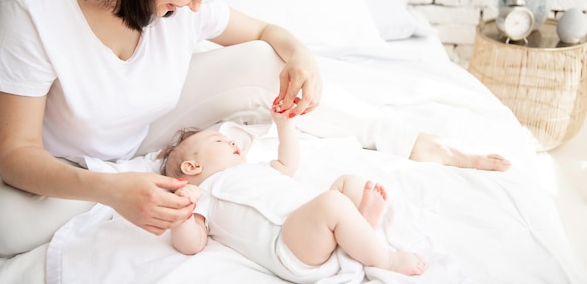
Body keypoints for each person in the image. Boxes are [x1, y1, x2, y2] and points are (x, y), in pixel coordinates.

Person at [0, 0, 509, 258]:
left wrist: (298, 51)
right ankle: (128, 179)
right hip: (74, 159)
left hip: (148, 127)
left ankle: (411, 140)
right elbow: (16, 155)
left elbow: (264, 34)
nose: (196, 7)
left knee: (261, 61)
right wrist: (115, 190)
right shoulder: (36, 3)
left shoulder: (187, 1)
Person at [161, 99, 425, 282]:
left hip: (312, 223)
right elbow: (192, 244)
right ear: (193, 166)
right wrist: (182, 215)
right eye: (219, 140)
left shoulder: (256, 169)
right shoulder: (204, 195)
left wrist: (284, 125)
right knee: (331, 203)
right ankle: (385, 259)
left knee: (347, 182)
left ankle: (358, 227)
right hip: (289, 246)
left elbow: (288, 163)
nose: (231, 140)